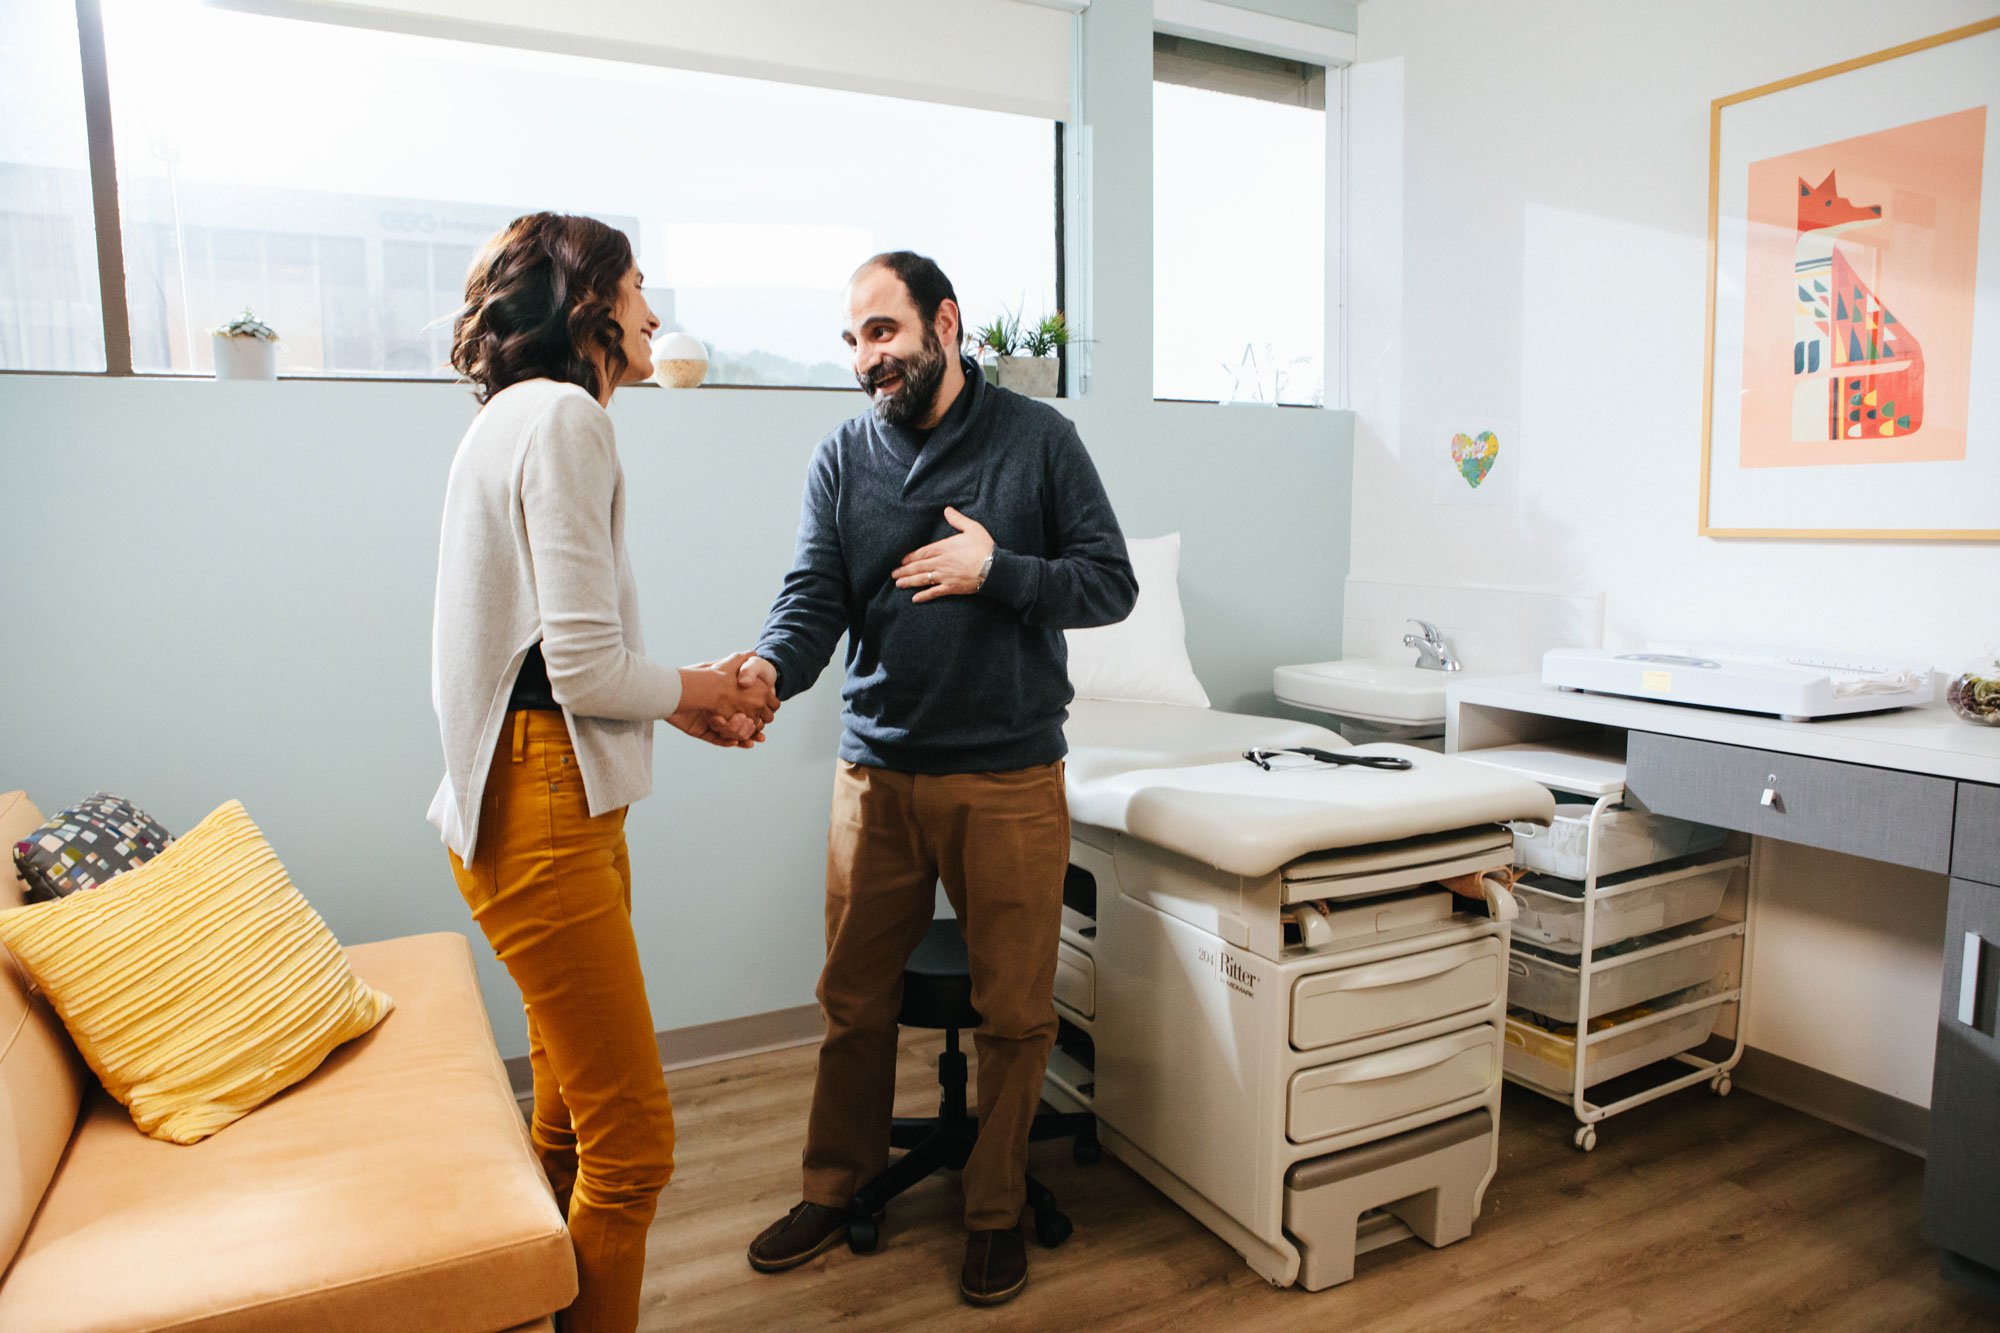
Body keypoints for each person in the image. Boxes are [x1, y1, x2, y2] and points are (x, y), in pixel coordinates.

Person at [741, 251, 1137, 1306]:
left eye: (883, 332)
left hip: (1006, 776)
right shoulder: (841, 456)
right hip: (874, 775)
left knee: (1014, 1014)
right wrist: (765, 673)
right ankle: (837, 1185)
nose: (866, 358)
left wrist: (993, 570)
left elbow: (1109, 584)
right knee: (849, 1003)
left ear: (944, 325)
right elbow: (812, 595)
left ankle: (995, 1208)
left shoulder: (1038, 441)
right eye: (853, 339)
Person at [429, 211, 778, 1333]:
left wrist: (679, 703)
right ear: (588, 305)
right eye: (636, 290)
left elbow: (544, 663)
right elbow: (580, 667)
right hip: (542, 813)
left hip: (524, 796)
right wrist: (700, 689)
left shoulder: (506, 418)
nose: (654, 313)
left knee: (573, 1123)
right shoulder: (569, 418)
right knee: (632, 1147)